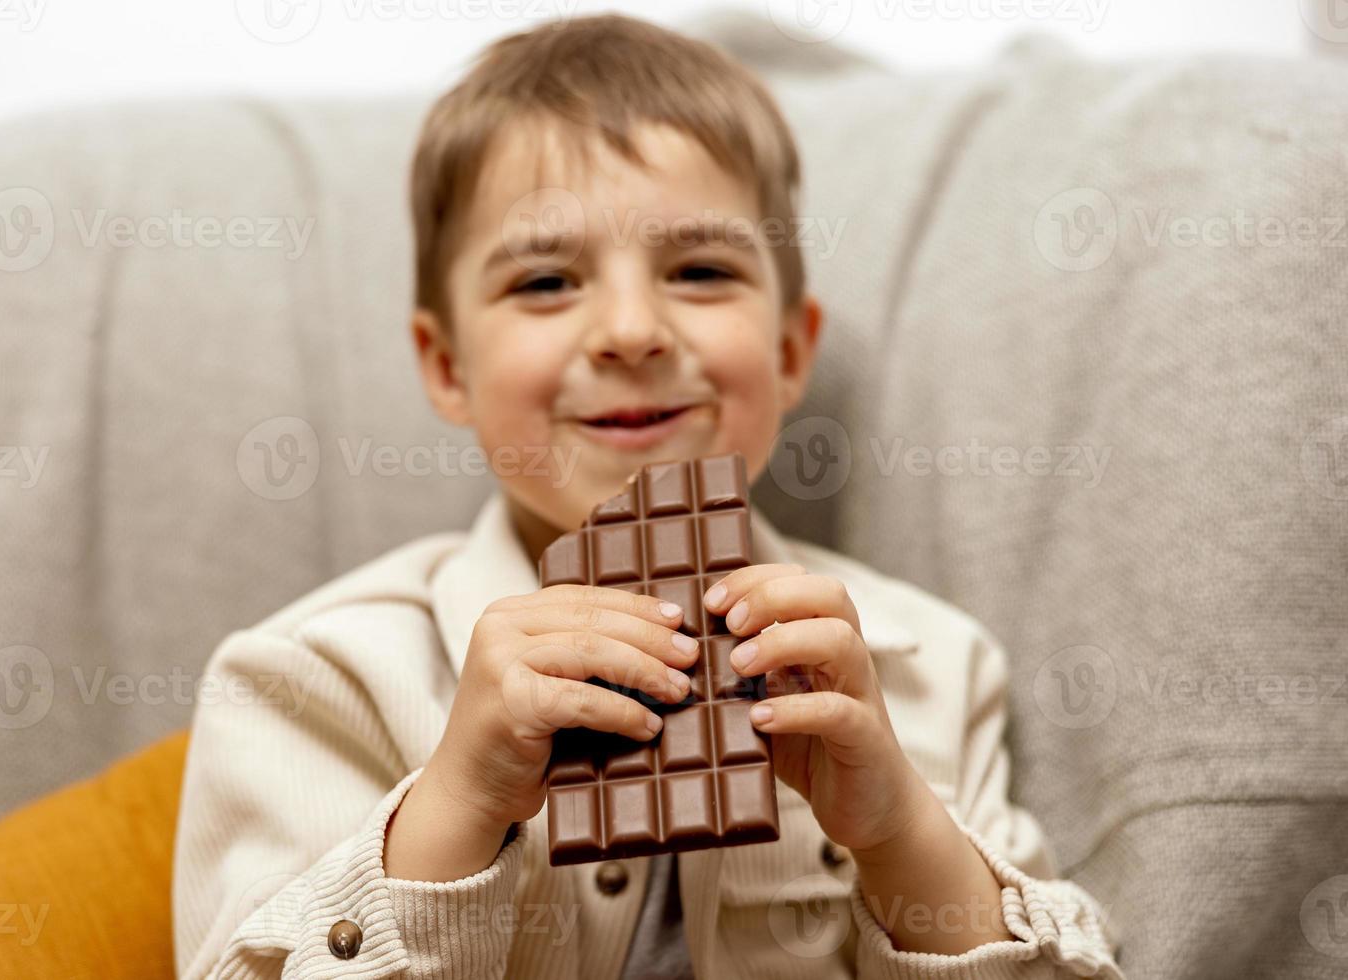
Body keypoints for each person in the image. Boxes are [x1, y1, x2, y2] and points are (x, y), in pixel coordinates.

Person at [172, 14, 1123, 979]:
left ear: (791, 351)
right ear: (447, 364)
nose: (631, 330)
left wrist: (901, 835)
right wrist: (455, 806)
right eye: (545, 281)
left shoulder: (929, 670)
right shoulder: (306, 680)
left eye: (701, 271)